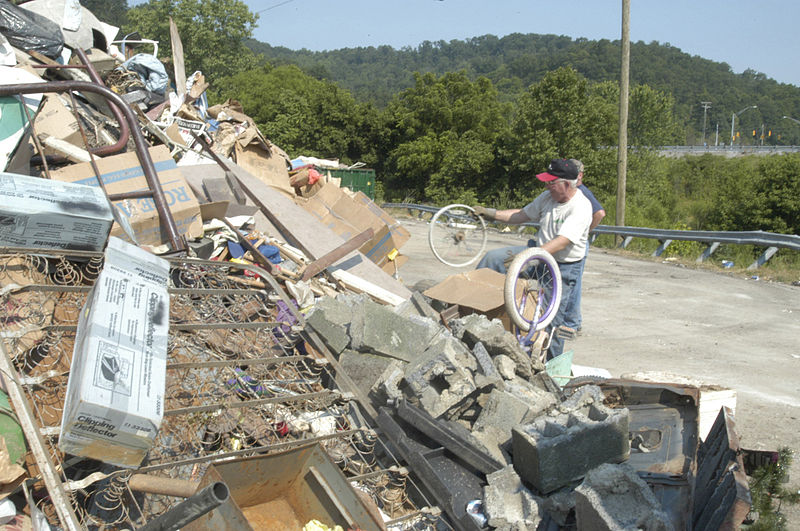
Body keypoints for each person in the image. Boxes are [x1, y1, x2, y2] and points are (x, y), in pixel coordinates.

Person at [474, 158, 592, 359]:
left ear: (566, 183)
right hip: (537, 255)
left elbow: (562, 241)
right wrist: (491, 214)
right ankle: (473, 313)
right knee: (493, 259)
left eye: (551, 182)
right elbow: (521, 215)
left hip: (562, 267)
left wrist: (526, 258)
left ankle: (550, 370)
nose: (547, 186)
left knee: (550, 321)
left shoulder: (581, 206)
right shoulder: (547, 198)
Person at [562, 159, 606, 335]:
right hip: (572, 241)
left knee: (573, 284)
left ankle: (572, 323)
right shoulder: (574, 191)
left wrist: (584, 230)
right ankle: (573, 321)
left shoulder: (581, 192)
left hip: (576, 244)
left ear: (580, 175)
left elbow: (600, 213)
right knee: (571, 284)